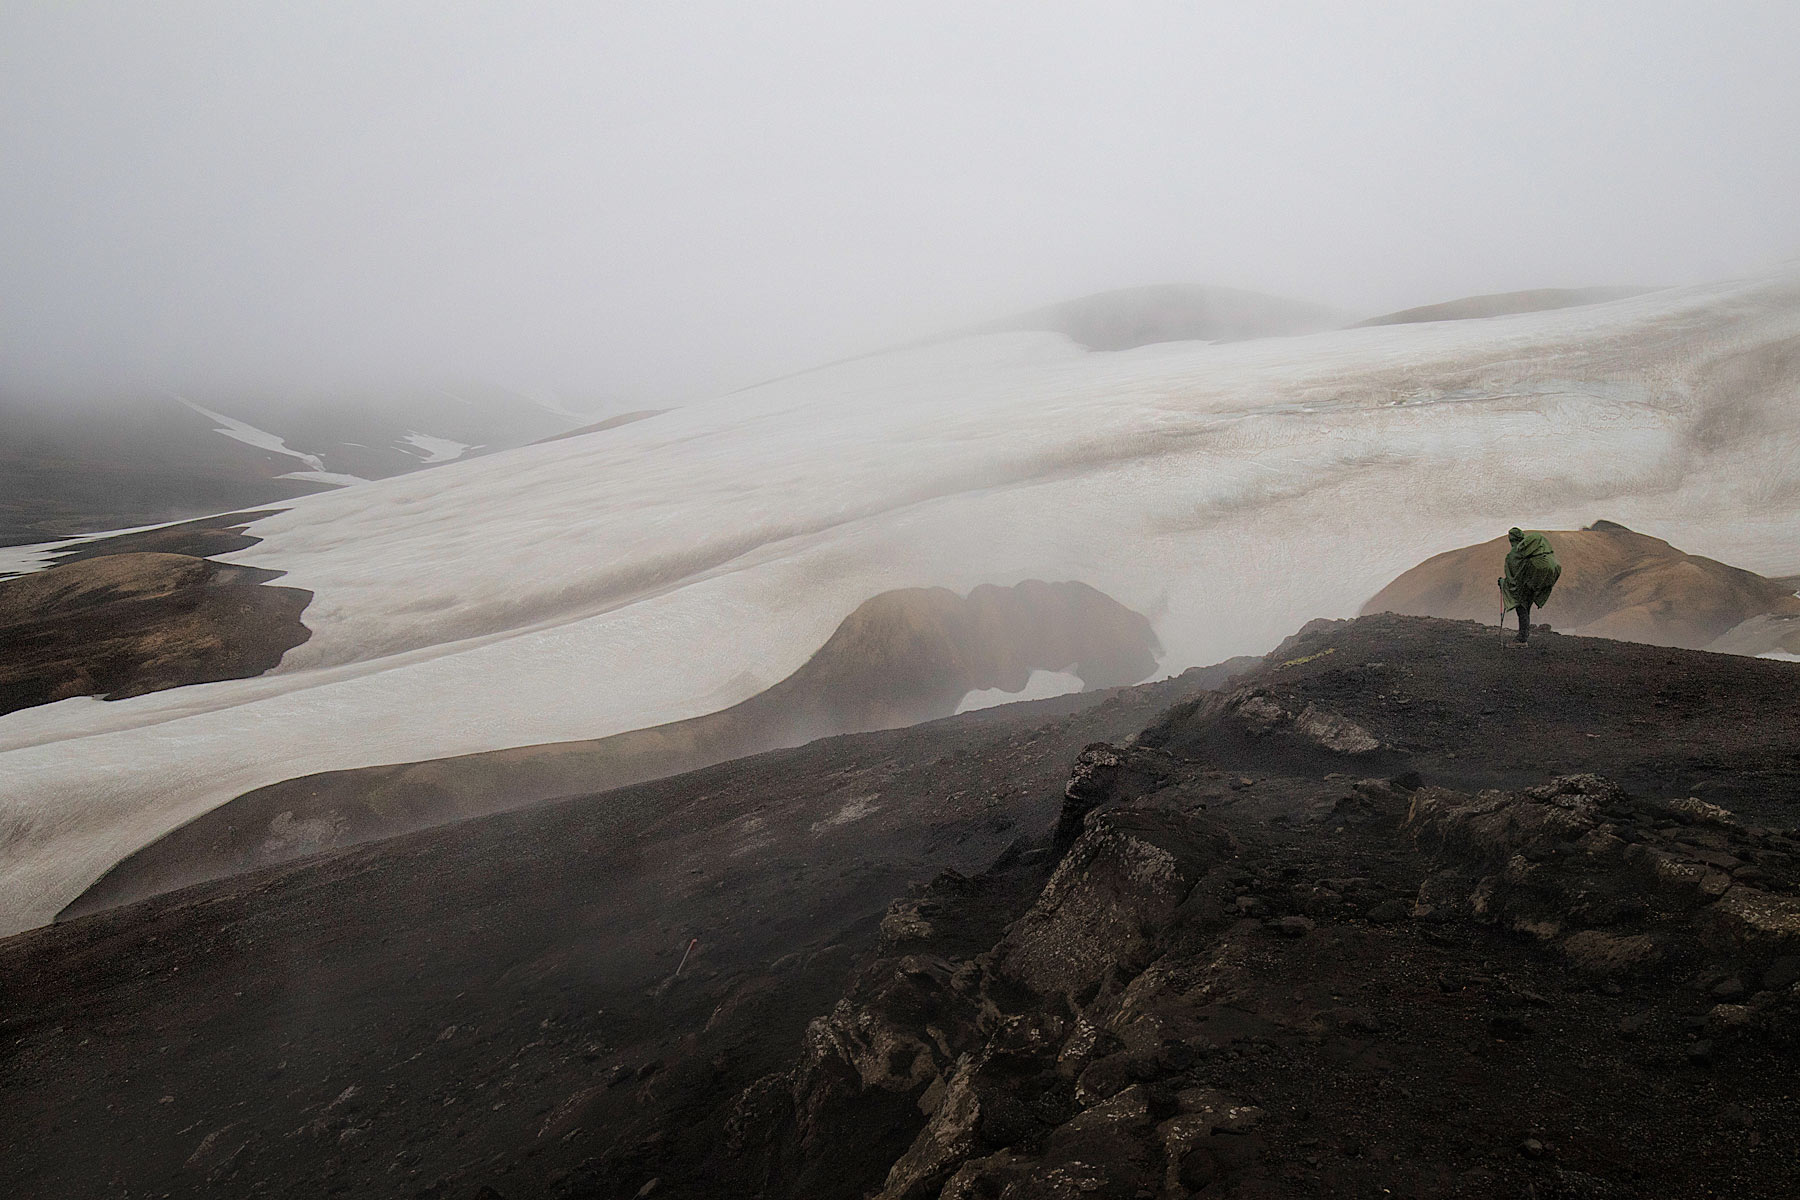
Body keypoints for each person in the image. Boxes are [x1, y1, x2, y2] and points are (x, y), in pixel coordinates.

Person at [1499, 527, 1560, 643]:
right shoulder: (1530, 550)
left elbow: (1513, 578)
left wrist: (1502, 582)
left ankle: (1522, 639)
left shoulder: (1513, 555)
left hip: (1523, 587)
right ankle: (1524, 635)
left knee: (1522, 610)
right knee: (1527, 609)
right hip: (1532, 584)